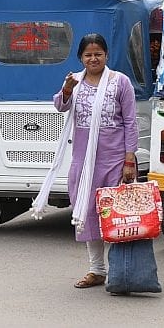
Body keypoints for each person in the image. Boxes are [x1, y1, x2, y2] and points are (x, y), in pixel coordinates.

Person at [40, 34, 138, 289]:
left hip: (115, 160)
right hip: (84, 162)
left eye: (98, 54)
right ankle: (96, 269)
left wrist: (129, 160)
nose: (93, 58)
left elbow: (130, 122)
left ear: (106, 55)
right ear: (81, 58)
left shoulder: (120, 82)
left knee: (117, 216)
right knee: (87, 212)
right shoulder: (75, 82)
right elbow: (60, 106)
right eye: (88, 55)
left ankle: (121, 271)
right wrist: (67, 89)